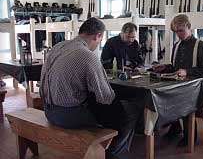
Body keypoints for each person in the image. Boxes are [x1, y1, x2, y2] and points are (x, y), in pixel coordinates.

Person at [40, 17, 140, 159]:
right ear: (97, 35)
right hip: (67, 116)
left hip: (47, 110)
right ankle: (112, 153)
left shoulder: (58, 46)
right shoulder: (87, 56)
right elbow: (106, 98)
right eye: (100, 40)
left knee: (97, 102)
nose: (98, 43)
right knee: (130, 109)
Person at [153, 14, 203, 146]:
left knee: (186, 105)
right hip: (179, 86)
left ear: (189, 27)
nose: (178, 34)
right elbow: (175, 68)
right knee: (165, 99)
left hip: (195, 88)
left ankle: (190, 135)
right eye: (176, 32)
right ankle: (175, 128)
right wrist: (164, 67)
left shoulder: (201, 46)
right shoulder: (177, 45)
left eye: (181, 31)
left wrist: (188, 71)